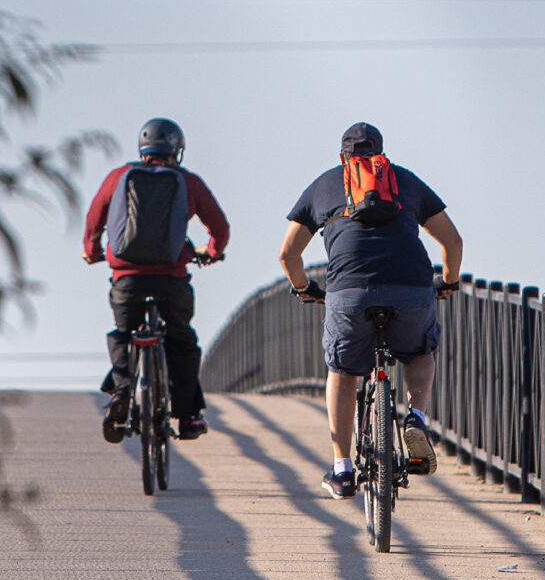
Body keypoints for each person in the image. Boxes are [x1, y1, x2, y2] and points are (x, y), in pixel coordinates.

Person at [275, 122, 463, 500]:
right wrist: (448, 281)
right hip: (410, 285)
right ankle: (417, 417)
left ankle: (342, 469)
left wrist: (303, 288)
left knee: (343, 370)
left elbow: (287, 254)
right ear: (380, 154)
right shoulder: (405, 180)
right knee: (419, 350)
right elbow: (452, 240)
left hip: (349, 291)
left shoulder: (326, 183)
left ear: (341, 157)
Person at [82, 118, 229, 443]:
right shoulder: (187, 181)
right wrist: (212, 252)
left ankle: (121, 392)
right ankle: (189, 416)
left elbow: (94, 220)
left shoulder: (118, 177)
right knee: (182, 341)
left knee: (122, 333)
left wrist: (91, 251)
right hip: (172, 279)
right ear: (177, 151)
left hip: (127, 278)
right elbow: (220, 228)